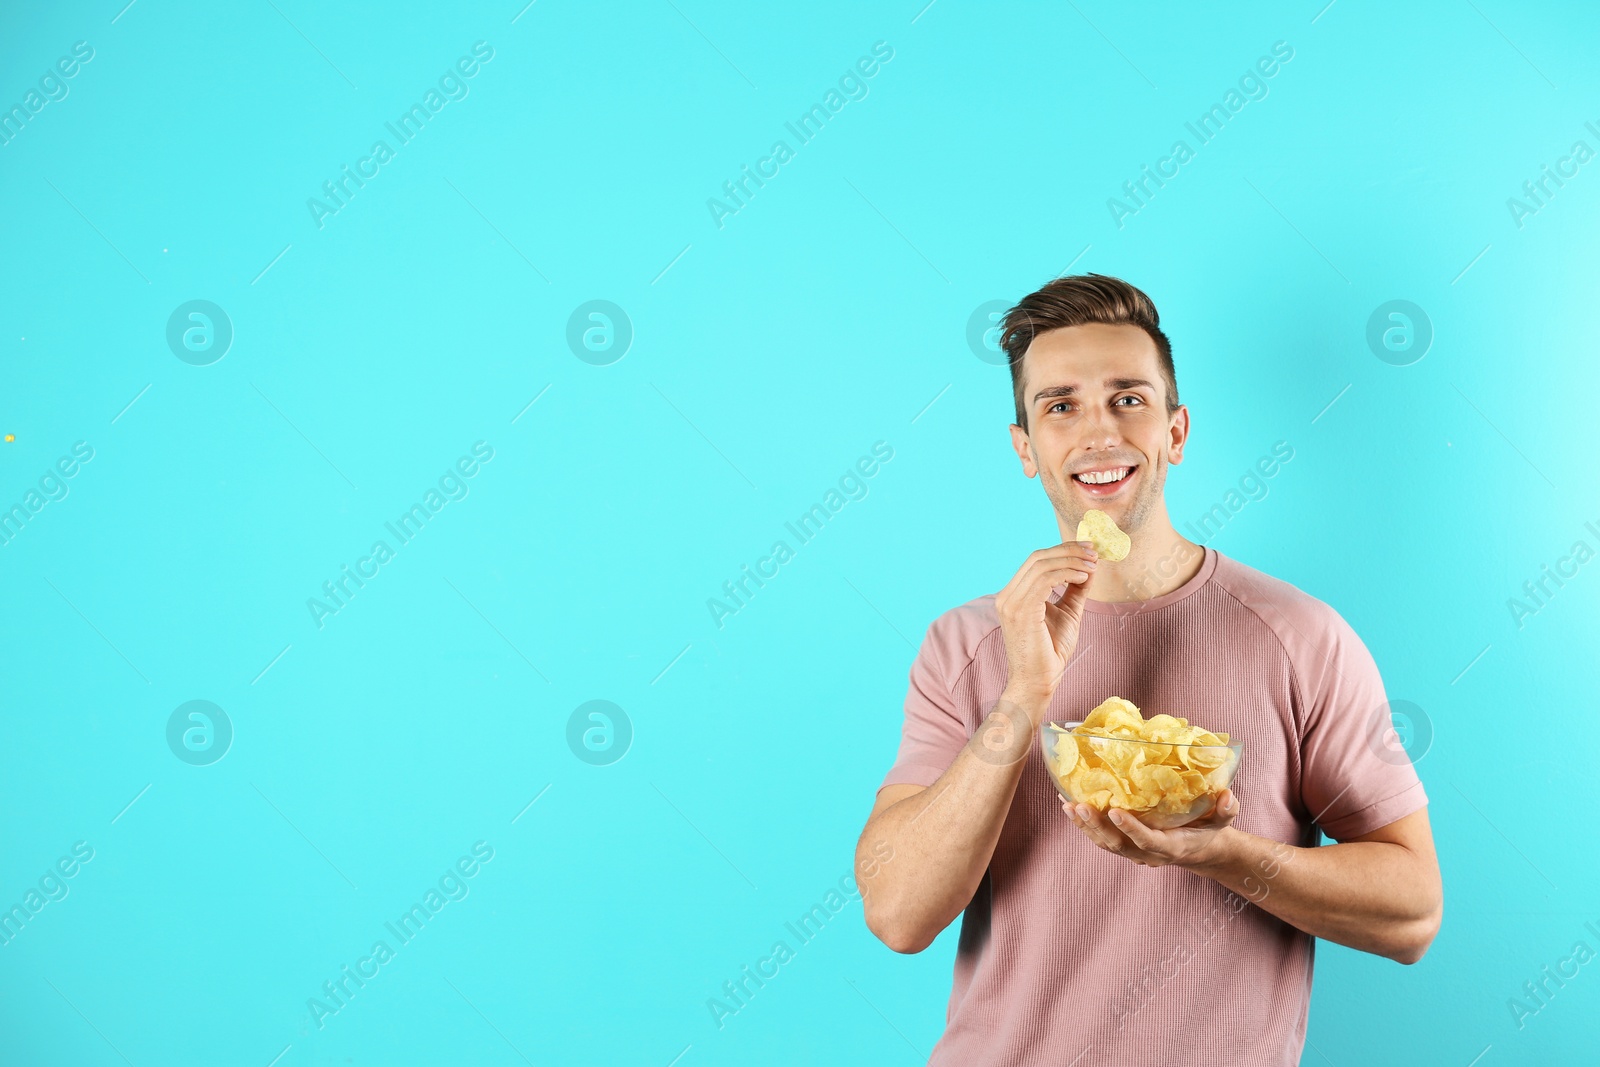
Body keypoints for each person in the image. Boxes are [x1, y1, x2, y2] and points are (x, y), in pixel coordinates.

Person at [854, 274, 1442, 1066]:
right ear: (1025, 447)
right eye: (1060, 405)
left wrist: (1226, 855)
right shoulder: (964, 643)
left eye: (1128, 398)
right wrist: (1025, 692)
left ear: (1176, 430)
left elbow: (1412, 914)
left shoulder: (1301, 636)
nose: (1099, 433)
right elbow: (898, 912)